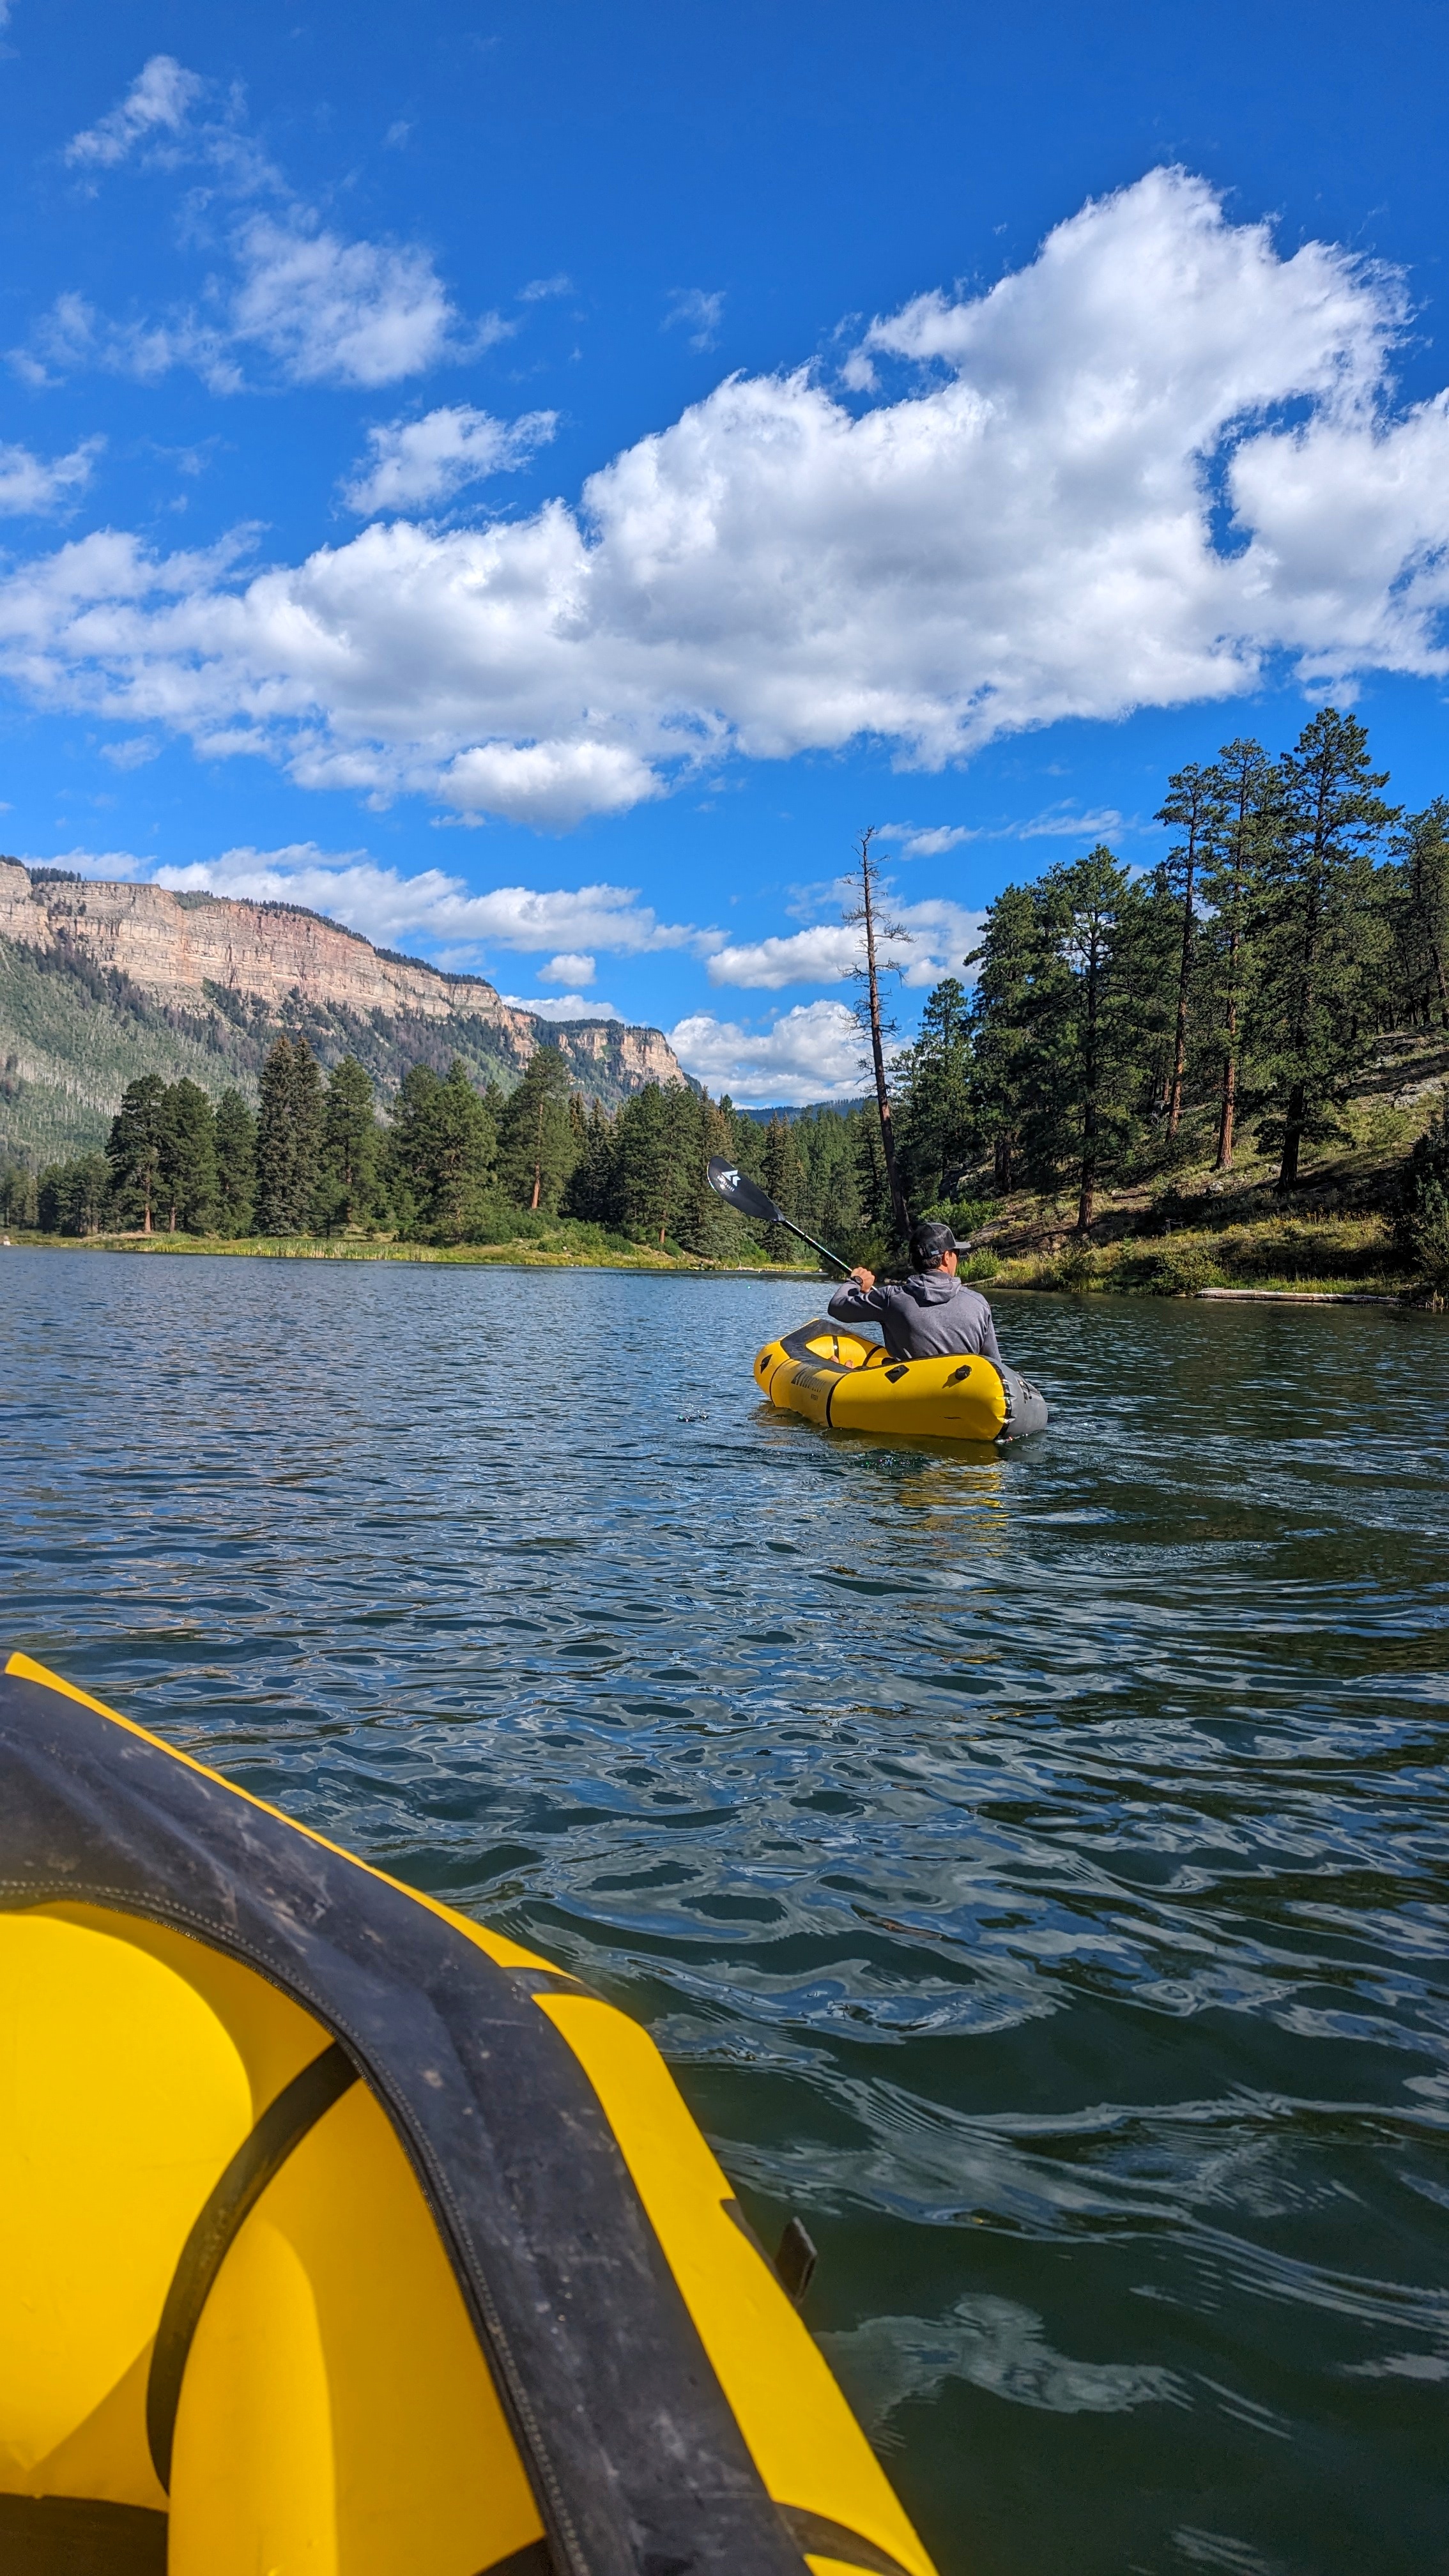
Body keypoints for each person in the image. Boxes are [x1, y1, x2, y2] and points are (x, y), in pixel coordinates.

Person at [827, 1220, 1004, 1365]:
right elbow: (994, 1365)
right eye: (956, 1252)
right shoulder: (979, 1303)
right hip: (962, 1398)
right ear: (946, 1257)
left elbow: (837, 1307)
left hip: (908, 1398)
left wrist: (856, 1281)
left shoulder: (891, 1298)